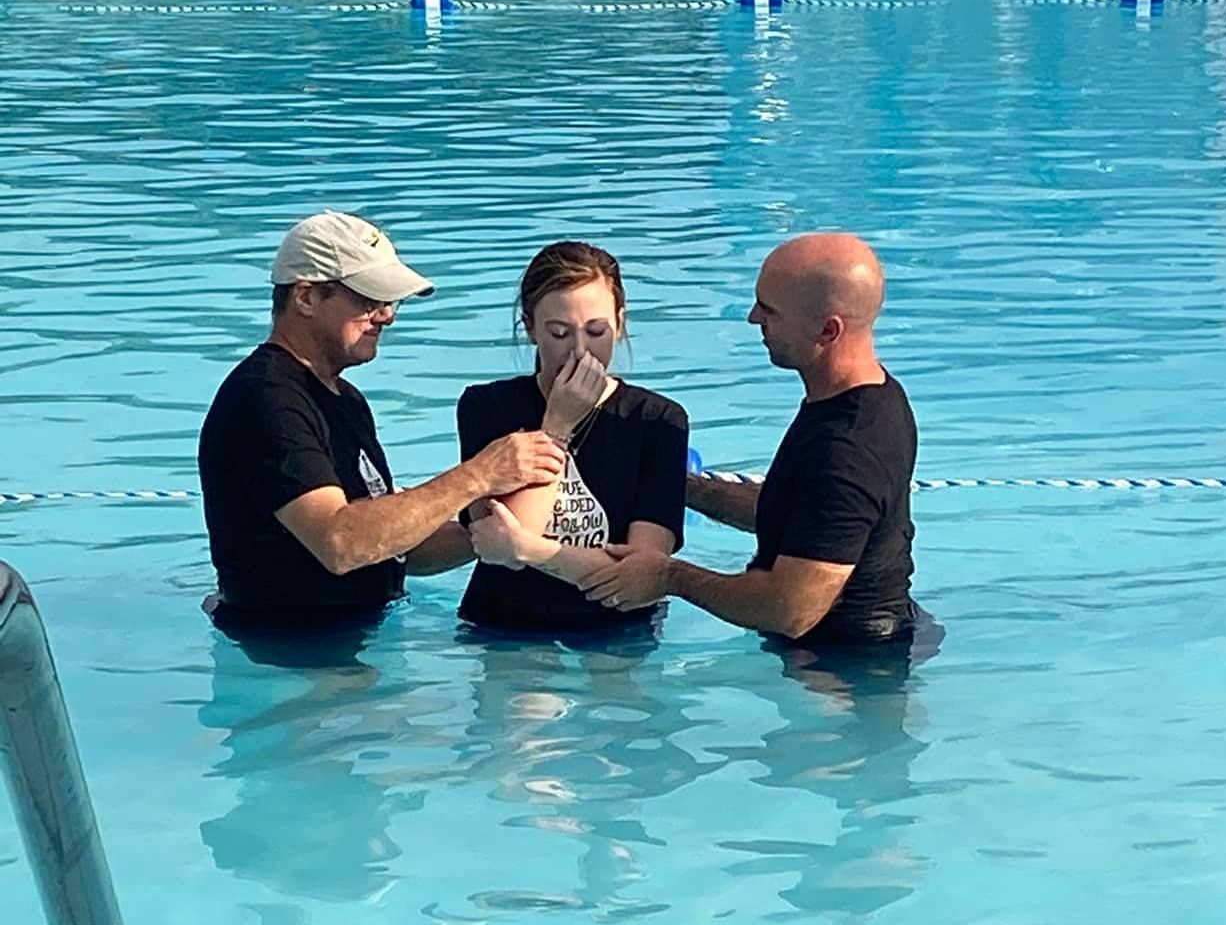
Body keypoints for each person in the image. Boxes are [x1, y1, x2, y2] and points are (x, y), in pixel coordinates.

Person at [198, 211, 563, 631]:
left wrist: (493, 535)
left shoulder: (344, 398)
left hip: (356, 636)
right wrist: (479, 475)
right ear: (306, 298)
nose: (387, 315)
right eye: (369, 299)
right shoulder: (265, 398)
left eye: (391, 302)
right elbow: (341, 542)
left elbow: (392, 544)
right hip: (288, 653)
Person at [579, 233, 917, 646]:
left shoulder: (847, 451)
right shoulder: (868, 396)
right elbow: (797, 513)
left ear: (828, 331)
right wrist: (674, 485)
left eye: (769, 310)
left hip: (841, 673)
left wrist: (670, 575)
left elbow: (788, 611)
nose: (753, 318)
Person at [461, 241, 689, 633]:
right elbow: (502, 548)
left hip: (619, 627)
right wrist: (557, 427)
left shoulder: (658, 420)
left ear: (620, 323)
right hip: (506, 626)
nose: (581, 351)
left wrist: (530, 550)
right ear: (531, 328)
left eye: (596, 330)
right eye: (560, 333)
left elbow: (640, 577)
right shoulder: (486, 406)